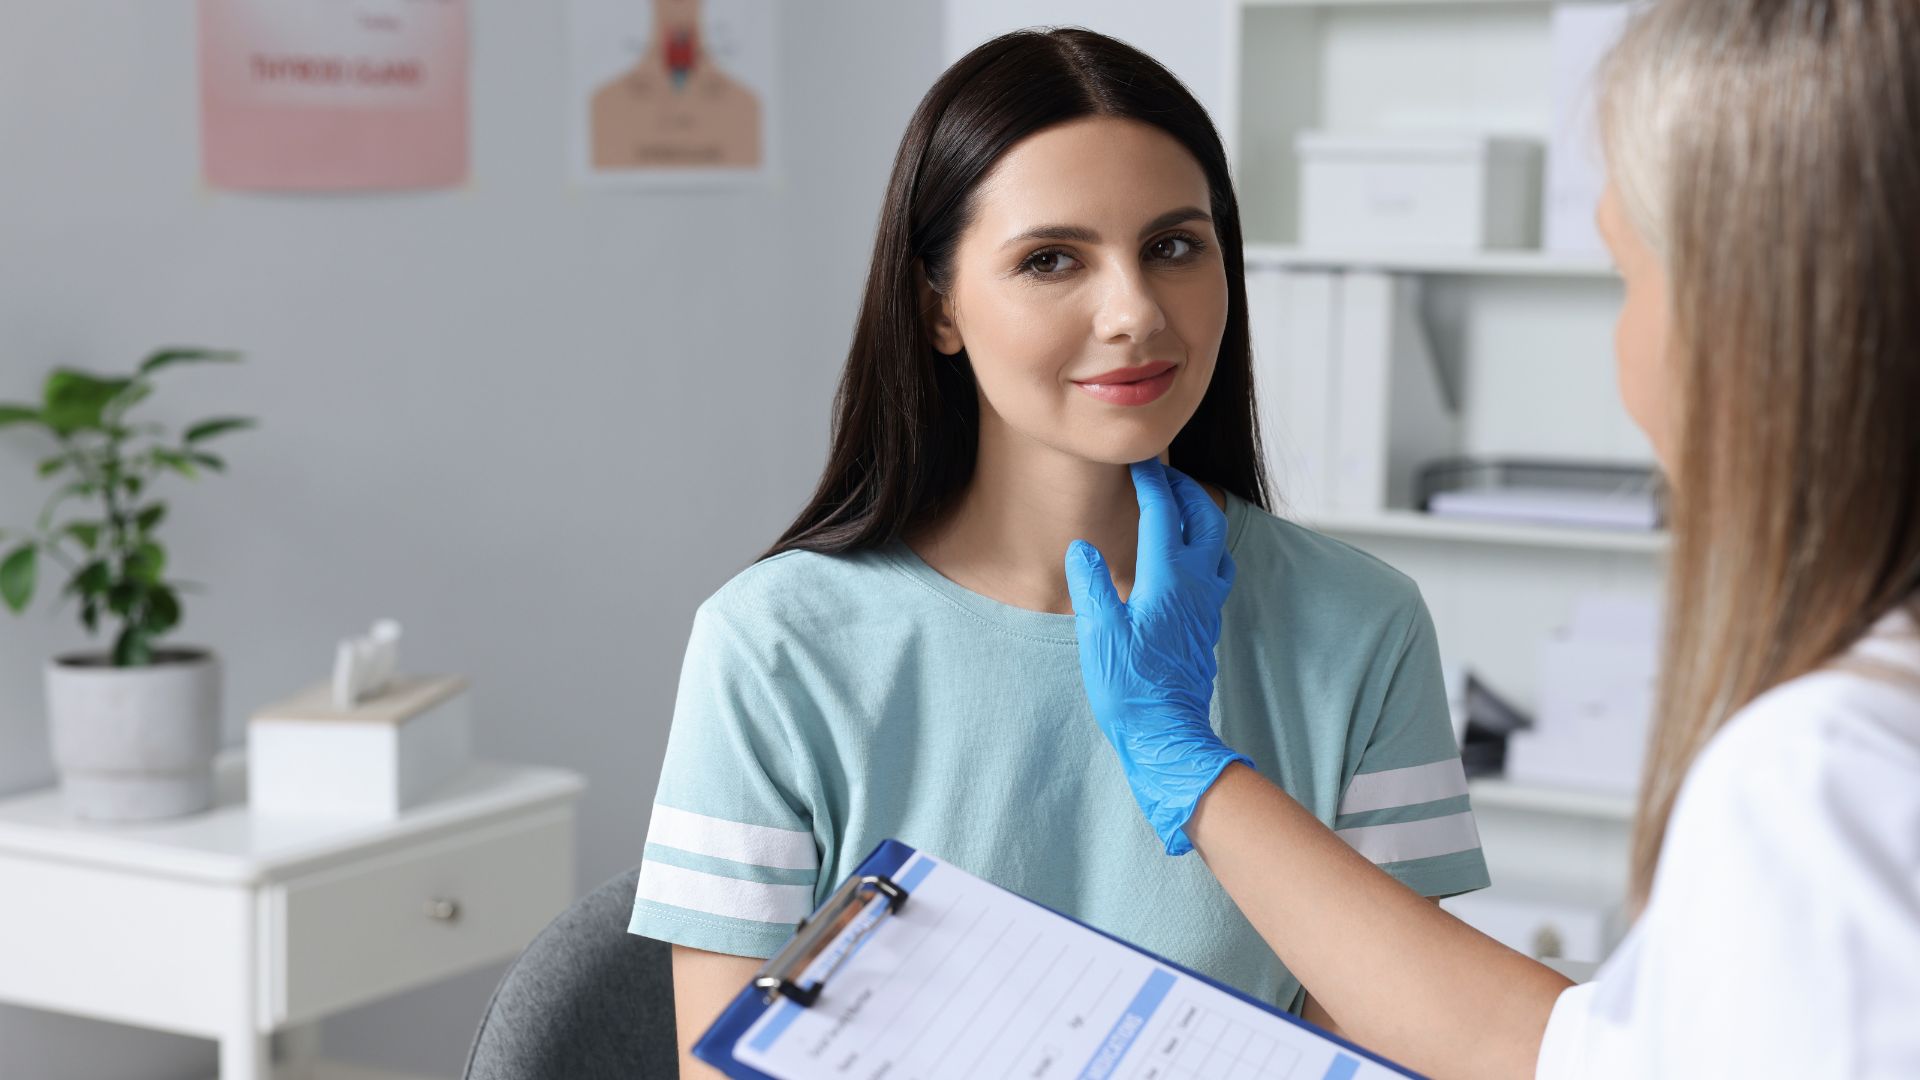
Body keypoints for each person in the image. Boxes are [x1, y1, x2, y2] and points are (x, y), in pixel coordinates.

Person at [1066, 2, 1920, 1077]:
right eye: (1052, 260)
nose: (1133, 315)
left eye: (1629, 275)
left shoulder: (1822, 777)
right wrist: (1191, 769)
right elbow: (1571, 1052)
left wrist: (1179, 758)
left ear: (1751, 317)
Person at [629, 28, 1492, 1076]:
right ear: (936, 305)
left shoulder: (1361, 624)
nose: (1134, 312)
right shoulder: (772, 649)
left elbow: (1399, 1040)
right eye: (1051, 260)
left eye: (1176, 246)